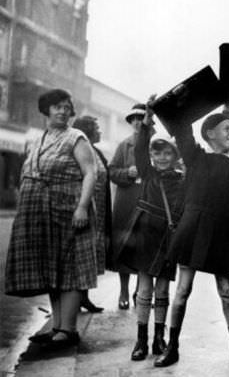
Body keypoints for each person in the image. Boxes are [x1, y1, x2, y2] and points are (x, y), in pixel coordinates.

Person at [154, 108, 229, 367]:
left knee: (225, 292)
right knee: (183, 290)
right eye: (227, 129)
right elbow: (183, 128)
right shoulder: (196, 157)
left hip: (222, 233)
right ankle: (172, 347)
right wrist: (188, 100)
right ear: (210, 135)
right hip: (193, 230)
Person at [5, 89, 97, 349]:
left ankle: (68, 330)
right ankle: (57, 326)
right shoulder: (39, 138)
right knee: (51, 268)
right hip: (41, 213)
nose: (63, 111)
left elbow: (90, 173)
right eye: (57, 106)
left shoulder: (76, 137)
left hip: (68, 210)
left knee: (70, 269)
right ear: (46, 110)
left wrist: (82, 208)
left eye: (67, 107)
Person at [116, 103, 185, 361]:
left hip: (168, 238)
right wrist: (147, 123)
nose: (162, 158)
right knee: (144, 290)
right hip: (146, 234)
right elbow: (141, 150)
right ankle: (141, 340)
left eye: (167, 153)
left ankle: (159, 338)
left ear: (176, 155)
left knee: (163, 292)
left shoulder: (182, 181)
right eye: (158, 154)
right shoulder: (148, 174)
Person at [109, 103, 146, 309]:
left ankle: (140, 291)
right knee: (125, 247)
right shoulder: (124, 145)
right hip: (126, 203)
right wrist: (127, 174)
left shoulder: (156, 144)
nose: (137, 122)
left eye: (141, 118)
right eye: (134, 119)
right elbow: (112, 171)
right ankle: (123, 290)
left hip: (148, 203)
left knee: (145, 248)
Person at [72, 116, 111, 314]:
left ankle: (84, 297)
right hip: (86, 208)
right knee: (81, 254)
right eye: (97, 127)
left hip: (99, 212)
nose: (100, 131)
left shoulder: (95, 151)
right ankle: (76, 299)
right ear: (86, 130)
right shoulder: (81, 150)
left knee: (90, 255)